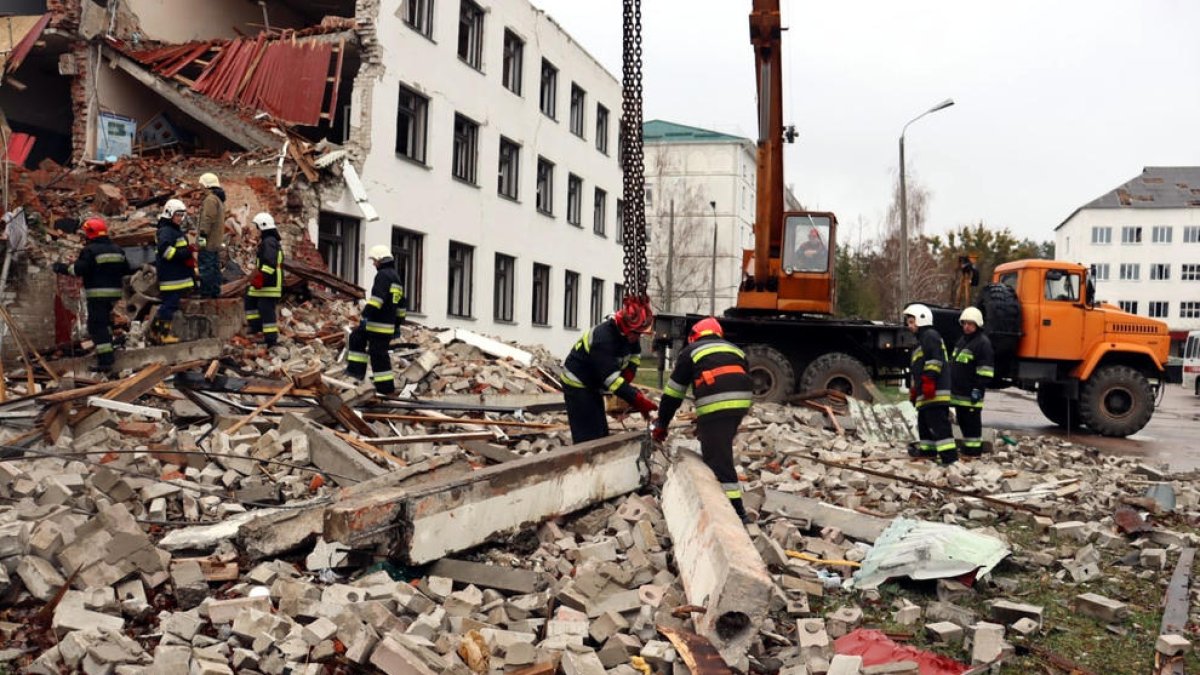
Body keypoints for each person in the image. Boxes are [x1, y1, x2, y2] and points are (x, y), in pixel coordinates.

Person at [652, 317, 753, 522]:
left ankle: (737, 513)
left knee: (719, 459)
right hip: (741, 404)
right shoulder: (735, 349)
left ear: (694, 336)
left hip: (718, 405)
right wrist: (706, 421)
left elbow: (673, 394)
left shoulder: (691, 352)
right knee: (718, 445)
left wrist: (662, 424)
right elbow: (732, 380)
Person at [560, 299, 658, 443]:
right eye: (637, 334)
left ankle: (598, 451)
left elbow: (635, 354)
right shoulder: (603, 339)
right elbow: (611, 380)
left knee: (600, 429)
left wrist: (629, 372)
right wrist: (637, 399)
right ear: (626, 330)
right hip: (577, 382)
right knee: (587, 434)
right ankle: (586, 460)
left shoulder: (630, 335)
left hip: (593, 383)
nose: (639, 337)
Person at [52, 217, 131, 372]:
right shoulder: (117, 249)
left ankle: (105, 362)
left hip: (97, 294)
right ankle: (110, 348)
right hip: (114, 294)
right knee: (105, 324)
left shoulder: (90, 250)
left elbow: (78, 270)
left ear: (90, 233)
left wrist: (60, 267)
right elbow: (126, 269)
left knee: (96, 326)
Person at [346, 245, 406, 394]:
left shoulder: (382, 276)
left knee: (378, 355)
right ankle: (358, 374)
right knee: (358, 338)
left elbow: (376, 300)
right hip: (387, 325)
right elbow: (401, 306)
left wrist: (365, 314)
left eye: (374, 260)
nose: (373, 264)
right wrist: (397, 325)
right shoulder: (396, 277)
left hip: (377, 324)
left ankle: (384, 388)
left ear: (380, 259)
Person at [903, 303, 957, 465]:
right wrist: (915, 389)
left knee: (939, 425)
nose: (909, 325)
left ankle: (950, 459)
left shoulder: (931, 335)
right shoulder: (920, 342)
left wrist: (928, 381)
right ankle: (928, 453)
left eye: (912, 321)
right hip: (926, 393)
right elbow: (918, 370)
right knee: (925, 424)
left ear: (921, 319)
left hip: (935, 392)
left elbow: (934, 361)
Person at [950, 306, 995, 456]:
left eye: (970, 324)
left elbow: (986, 371)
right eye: (964, 323)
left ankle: (974, 451)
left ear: (977, 324)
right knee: (963, 423)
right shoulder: (962, 341)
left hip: (971, 394)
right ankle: (967, 449)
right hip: (958, 394)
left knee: (972, 425)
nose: (966, 326)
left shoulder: (983, 343)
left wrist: (978, 388)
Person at [150, 199, 194, 344]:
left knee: (169, 306)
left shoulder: (173, 230)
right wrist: (186, 252)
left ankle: (156, 333)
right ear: (169, 214)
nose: (180, 219)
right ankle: (161, 335)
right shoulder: (167, 231)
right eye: (178, 215)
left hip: (176, 276)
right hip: (171, 278)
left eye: (182, 216)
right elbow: (166, 252)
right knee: (168, 307)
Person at [245, 213, 283, 347]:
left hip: (270, 283)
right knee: (250, 299)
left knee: (266, 309)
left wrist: (261, 278)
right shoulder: (269, 241)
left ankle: (271, 339)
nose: (256, 230)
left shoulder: (269, 242)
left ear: (263, 226)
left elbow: (270, 263)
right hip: (267, 281)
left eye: (257, 227)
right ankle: (256, 329)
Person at [196, 172, 226, 298]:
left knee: (206, 267)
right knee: (214, 267)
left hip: (208, 242)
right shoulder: (218, 199)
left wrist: (202, 237)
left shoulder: (210, 200)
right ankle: (214, 291)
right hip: (215, 242)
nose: (200, 187)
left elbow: (207, 219)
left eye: (201, 184)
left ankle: (206, 292)